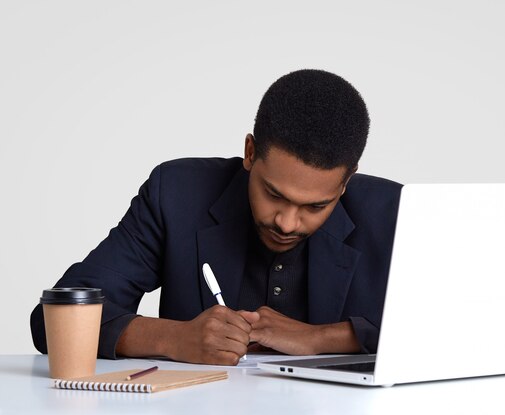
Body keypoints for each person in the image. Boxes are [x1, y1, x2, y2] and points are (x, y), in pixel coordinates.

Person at [30, 69, 402, 365]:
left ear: (345, 182)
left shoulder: (392, 212)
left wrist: (321, 338)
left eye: (315, 206)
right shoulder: (176, 194)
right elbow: (53, 321)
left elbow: (453, 328)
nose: (287, 222)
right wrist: (174, 338)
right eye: (274, 194)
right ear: (250, 152)